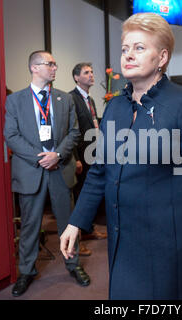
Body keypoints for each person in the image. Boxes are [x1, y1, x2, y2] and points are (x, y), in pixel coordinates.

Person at [60, 12, 182, 300]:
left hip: (170, 245)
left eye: (139, 48)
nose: (128, 56)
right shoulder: (115, 108)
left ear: (161, 58)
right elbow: (99, 171)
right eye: (125, 49)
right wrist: (76, 221)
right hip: (123, 240)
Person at [3, 50, 90, 297]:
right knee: (30, 225)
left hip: (60, 169)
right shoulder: (15, 101)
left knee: (68, 222)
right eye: (49, 64)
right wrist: (40, 157)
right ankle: (27, 272)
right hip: (31, 171)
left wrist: (57, 155)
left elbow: (74, 132)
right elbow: (11, 135)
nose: (54, 68)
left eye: (54, 64)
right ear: (34, 68)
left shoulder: (64, 99)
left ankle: (73, 265)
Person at [69, 62, 107, 252]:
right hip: (80, 155)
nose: (91, 75)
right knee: (80, 195)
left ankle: (88, 229)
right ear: (77, 77)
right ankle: (77, 241)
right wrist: (75, 157)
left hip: (93, 152)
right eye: (86, 72)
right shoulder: (71, 98)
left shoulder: (89, 99)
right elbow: (71, 130)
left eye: (92, 72)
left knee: (90, 191)